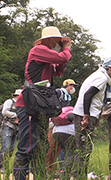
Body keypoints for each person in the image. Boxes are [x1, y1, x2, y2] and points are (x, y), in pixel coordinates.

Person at [14, 26, 72, 180]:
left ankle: (39, 176)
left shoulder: (47, 57)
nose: (59, 43)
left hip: (40, 106)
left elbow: (58, 70)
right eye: (57, 40)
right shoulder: (38, 50)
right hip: (28, 106)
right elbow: (63, 58)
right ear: (49, 40)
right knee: (27, 145)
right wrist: (66, 49)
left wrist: (62, 53)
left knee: (41, 146)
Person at [72, 57, 111, 178]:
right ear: (109, 68)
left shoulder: (100, 77)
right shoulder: (101, 78)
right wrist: (86, 116)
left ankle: (78, 175)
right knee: (83, 148)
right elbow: (88, 95)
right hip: (84, 114)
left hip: (88, 113)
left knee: (84, 148)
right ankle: (77, 176)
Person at [46, 79, 78, 177]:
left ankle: (59, 170)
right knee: (52, 147)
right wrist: (50, 120)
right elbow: (50, 105)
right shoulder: (58, 92)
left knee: (61, 149)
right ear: (66, 85)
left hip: (63, 123)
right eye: (71, 85)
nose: (72, 88)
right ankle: (48, 169)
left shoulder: (68, 97)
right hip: (53, 122)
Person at [0, 89, 22, 173]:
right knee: (6, 147)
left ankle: (5, 166)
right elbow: (4, 112)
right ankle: (2, 167)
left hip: (16, 127)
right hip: (7, 126)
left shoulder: (21, 105)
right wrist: (16, 115)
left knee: (12, 149)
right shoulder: (9, 102)